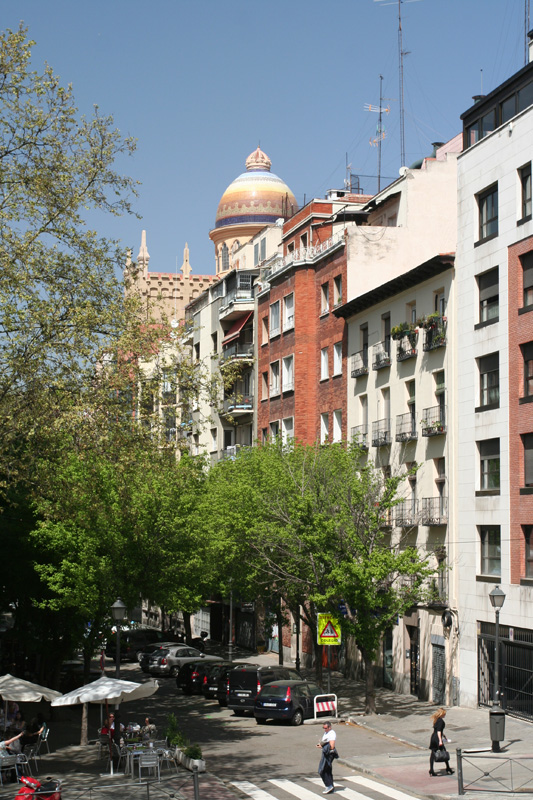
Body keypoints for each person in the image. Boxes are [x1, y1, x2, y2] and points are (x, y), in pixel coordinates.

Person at [429, 707, 454, 776]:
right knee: (444, 752)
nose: (445, 715)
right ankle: (448, 768)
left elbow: (437, 730)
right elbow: (439, 731)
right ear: (442, 714)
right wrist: (440, 741)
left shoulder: (436, 720)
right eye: (444, 714)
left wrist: (444, 735)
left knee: (433, 754)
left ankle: (431, 769)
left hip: (433, 737)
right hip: (437, 738)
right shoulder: (441, 721)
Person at [316, 721, 337, 794]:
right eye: (323, 728)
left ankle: (328, 785)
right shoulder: (326, 733)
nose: (325, 729)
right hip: (326, 753)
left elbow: (332, 745)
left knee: (322, 770)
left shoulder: (332, 733)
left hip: (329, 754)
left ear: (330, 727)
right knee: (327, 770)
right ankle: (331, 786)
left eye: (326, 728)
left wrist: (322, 746)